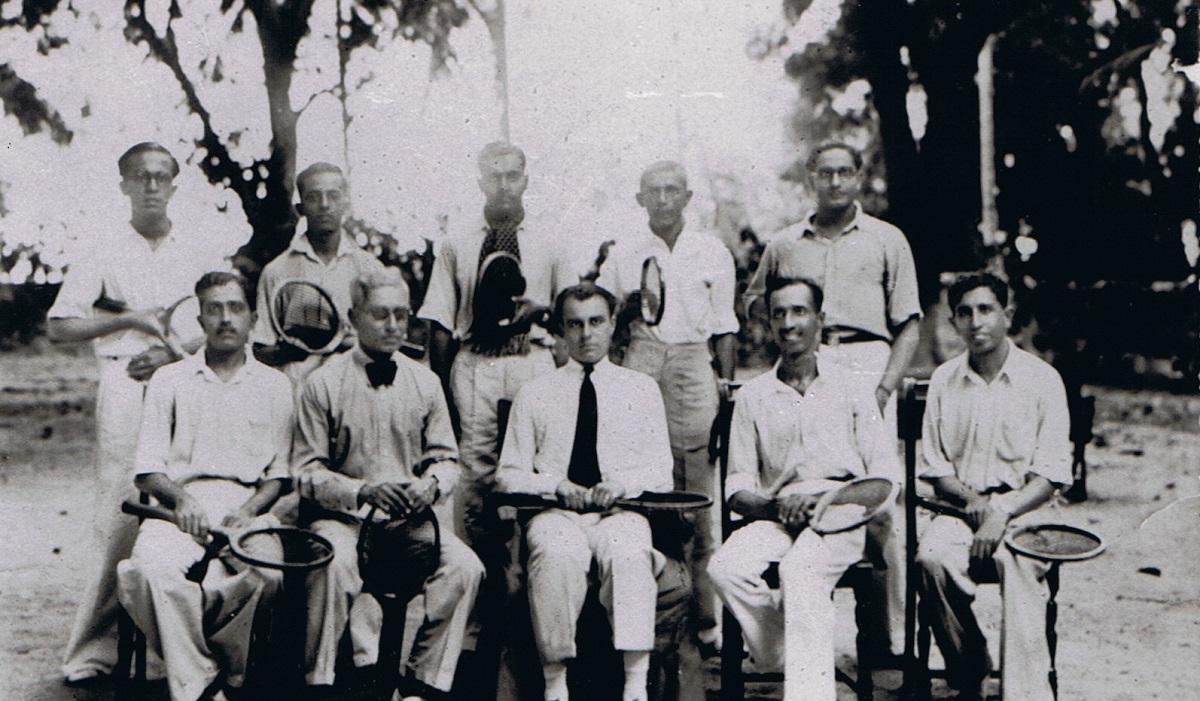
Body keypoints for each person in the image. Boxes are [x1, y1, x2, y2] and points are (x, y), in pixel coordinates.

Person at [48, 142, 226, 683]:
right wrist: (133, 325)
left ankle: (183, 647)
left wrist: (173, 351)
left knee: (192, 500)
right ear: (123, 185)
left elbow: (221, 317)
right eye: (140, 177)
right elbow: (60, 326)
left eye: (161, 177)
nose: (152, 186)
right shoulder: (101, 246)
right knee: (120, 512)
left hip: (188, 379)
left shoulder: (198, 246)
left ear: (174, 185)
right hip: (124, 382)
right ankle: (93, 652)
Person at [744, 141, 920, 655]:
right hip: (807, 356)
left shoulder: (888, 240)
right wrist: (789, 330)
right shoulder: (784, 245)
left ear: (860, 177)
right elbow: (756, 301)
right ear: (811, 178)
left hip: (866, 360)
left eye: (845, 172)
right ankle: (801, 617)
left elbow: (909, 322)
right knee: (812, 479)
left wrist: (885, 384)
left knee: (881, 498)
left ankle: (889, 637)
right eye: (826, 173)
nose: (836, 182)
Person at [415, 142, 570, 692]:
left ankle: (534, 615)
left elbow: (573, 310)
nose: (504, 185)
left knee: (533, 483)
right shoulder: (457, 242)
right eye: (493, 176)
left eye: (513, 175)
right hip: (477, 366)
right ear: (480, 181)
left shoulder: (550, 240)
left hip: (530, 362)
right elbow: (437, 321)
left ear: (526, 178)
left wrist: (544, 312)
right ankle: (478, 630)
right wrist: (435, 401)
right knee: (476, 492)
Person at [706, 276, 901, 701]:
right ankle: (782, 652)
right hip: (778, 513)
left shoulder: (852, 388)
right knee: (725, 568)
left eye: (799, 311)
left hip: (841, 513)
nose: (789, 323)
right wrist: (778, 507)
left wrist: (828, 501)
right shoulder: (754, 395)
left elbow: (886, 476)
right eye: (779, 313)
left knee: (801, 572)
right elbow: (737, 487)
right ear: (768, 324)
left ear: (820, 319)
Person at [293, 269, 484, 700]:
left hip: (410, 522)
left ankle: (421, 684)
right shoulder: (322, 383)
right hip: (345, 520)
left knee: (466, 567)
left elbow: (448, 460)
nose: (394, 325)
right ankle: (321, 684)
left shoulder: (425, 382)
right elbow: (306, 471)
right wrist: (361, 491)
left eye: (402, 314)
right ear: (353, 318)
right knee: (332, 564)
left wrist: (430, 486)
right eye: (380, 314)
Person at [116, 271, 293, 701]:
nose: (225, 319)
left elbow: (280, 475)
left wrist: (249, 512)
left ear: (252, 318)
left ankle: (228, 671)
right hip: (178, 510)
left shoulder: (276, 385)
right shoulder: (169, 380)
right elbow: (147, 470)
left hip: (247, 508)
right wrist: (182, 500)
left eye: (235, 308)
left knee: (268, 577)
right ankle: (200, 680)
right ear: (199, 319)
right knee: (148, 570)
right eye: (214, 309)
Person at [496, 283, 674, 701]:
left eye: (596, 322)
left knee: (630, 552)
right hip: (556, 513)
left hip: (620, 510)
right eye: (574, 324)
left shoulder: (640, 388)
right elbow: (507, 474)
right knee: (555, 555)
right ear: (559, 330)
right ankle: (555, 685)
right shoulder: (536, 392)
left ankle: (635, 684)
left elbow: (661, 471)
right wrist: (554, 486)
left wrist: (620, 485)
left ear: (612, 325)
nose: (586, 334)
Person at [595, 161, 738, 651]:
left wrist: (724, 385)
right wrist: (626, 315)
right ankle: (649, 616)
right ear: (640, 198)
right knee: (639, 480)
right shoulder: (622, 254)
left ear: (687, 196)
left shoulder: (711, 250)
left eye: (671, 190)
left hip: (695, 363)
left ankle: (705, 621)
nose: (662, 199)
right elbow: (603, 323)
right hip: (642, 356)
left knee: (698, 490)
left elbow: (725, 326)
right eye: (652, 190)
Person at [917, 272, 1072, 701]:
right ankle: (970, 668)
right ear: (953, 321)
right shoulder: (944, 382)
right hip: (960, 509)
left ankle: (1024, 695)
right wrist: (975, 504)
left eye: (986, 310)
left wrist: (1003, 511)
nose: (976, 322)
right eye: (964, 313)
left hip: (1026, 511)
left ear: (1007, 315)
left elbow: (1052, 471)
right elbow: (935, 466)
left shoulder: (1042, 380)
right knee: (931, 559)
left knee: (1018, 564)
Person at [252, 162, 387, 387]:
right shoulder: (276, 271)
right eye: (313, 197)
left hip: (357, 388)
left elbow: (385, 342)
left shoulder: (370, 268)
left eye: (333, 196)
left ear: (346, 203)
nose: (324, 205)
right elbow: (261, 350)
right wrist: (296, 349)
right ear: (300, 207)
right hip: (299, 391)